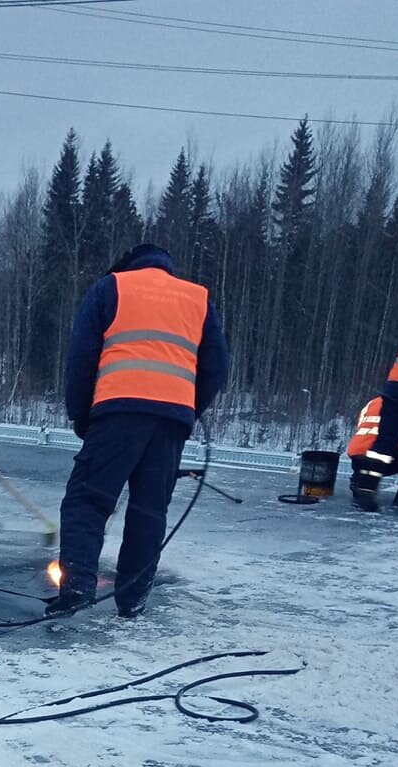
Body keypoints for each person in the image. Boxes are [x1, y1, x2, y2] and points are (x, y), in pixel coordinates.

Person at [47, 243, 230, 618]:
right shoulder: (197, 298)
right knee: (149, 510)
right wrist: (188, 409)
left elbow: (82, 357)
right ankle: (132, 600)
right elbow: (218, 366)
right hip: (171, 423)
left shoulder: (111, 288)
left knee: (89, 499)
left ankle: (78, 587)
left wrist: (82, 416)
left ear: (128, 265)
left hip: (117, 411)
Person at [346, 345, 398, 511]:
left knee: (384, 444)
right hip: (393, 459)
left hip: (358, 456)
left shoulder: (375, 402)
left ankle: (362, 488)